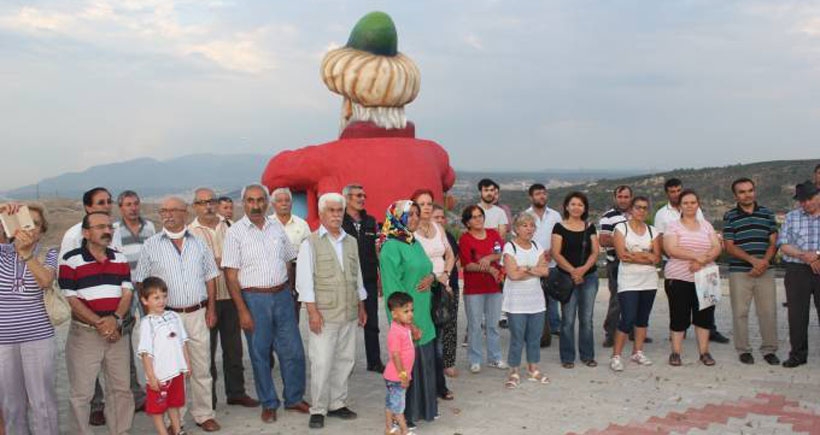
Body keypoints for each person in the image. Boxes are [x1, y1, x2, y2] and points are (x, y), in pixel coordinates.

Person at [222, 183, 309, 423]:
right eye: (250, 200)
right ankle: (269, 403)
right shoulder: (235, 233)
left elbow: (290, 261)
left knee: (293, 351)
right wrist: (242, 311)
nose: (256, 205)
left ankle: (293, 398)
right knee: (260, 354)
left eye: (260, 200)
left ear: (267, 202)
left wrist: (291, 292)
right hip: (254, 299)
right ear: (243, 203)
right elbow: (230, 275)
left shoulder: (276, 229)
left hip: (282, 296)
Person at [134, 196, 222, 432]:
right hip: (167, 318)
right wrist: (151, 317)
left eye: (173, 210)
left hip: (197, 313)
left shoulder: (199, 243)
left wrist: (211, 308)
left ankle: (204, 414)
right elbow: (141, 280)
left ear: (185, 212)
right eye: (163, 210)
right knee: (172, 370)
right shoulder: (152, 244)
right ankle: (177, 420)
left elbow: (210, 277)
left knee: (201, 367)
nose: (167, 214)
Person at [59, 211, 134, 435]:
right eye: (100, 227)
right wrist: (100, 323)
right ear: (86, 232)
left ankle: (121, 431)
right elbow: (71, 298)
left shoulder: (119, 258)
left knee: (121, 389)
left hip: (117, 334)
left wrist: (116, 320)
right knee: (82, 393)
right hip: (85, 335)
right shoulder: (70, 259)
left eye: (109, 227)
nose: (107, 231)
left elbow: (127, 294)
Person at [297, 193, 368, 429]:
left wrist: (361, 305)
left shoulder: (351, 241)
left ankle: (337, 403)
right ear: (321, 214)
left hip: (348, 311)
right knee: (322, 362)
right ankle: (318, 408)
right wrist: (312, 313)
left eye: (340, 210)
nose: (337, 215)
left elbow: (356, 276)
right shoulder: (310, 243)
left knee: (345, 360)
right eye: (332, 210)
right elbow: (305, 282)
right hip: (325, 314)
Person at [188, 188, 258, 409]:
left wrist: (220, 261)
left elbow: (241, 257)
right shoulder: (190, 233)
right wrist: (218, 261)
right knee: (205, 353)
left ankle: (236, 392)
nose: (208, 206)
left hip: (230, 296)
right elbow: (192, 265)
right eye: (202, 203)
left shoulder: (230, 227)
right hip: (205, 300)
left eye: (211, 201)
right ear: (195, 206)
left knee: (234, 348)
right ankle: (209, 401)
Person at [0, 203, 59, 435]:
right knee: (12, 404)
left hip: (38, 338)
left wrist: (25, 253)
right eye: (25, 221)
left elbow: (45, 281)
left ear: (42, 229)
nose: (30, 228)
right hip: (3, 340)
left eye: (35, 223)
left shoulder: (49, 252)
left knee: (42, 401)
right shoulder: (2, 252)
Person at [379, 200, 437, 429]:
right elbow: (393, 290)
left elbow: (427, 268)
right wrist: (407, 324)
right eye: (408, 214)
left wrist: (431, 277)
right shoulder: (391, 247)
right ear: (396, 218)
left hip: (422, 310)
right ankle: (405, 415)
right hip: (407, 318)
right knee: (407, 365)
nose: (414, 218)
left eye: (416, 213)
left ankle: (423, 409)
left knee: (423, 363)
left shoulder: (413, 241)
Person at [654, 178, 730, 344]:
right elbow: (662, 241)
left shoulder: (702, 217)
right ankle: (677, 343)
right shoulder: (662, 214)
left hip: (705, 269)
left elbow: (712, 243)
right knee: (679, 311)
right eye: (672, 191)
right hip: (677, 266)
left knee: (705, 309)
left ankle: (710, 332)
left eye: (678, 190)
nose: (676, 194)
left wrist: (702, 261)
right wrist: (694, 257)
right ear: (668, 193)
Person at [723, 178, 780, 365]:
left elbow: (774, 242)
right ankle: (743, 349)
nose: (747, 194)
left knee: (768, 312)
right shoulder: (730, 216)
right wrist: (753, 261)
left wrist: (764, 262)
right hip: (740, 272)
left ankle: (769, 349)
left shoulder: (767, 214)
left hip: (765, 270)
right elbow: (729, 246)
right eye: (742, 192)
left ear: (755, 191)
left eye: (750, 190)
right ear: (735, 195)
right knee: (740, 312)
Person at [663, 189, 722, 367]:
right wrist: (697, 257)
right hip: (679, 279)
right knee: (679, 316)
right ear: (680, 206)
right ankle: (676, 352)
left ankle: (704, 352)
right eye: (685, 203)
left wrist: (703, 261)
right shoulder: (673, 226)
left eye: (693, 202)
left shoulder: (706, 225)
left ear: (698, 204)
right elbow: (672, 249)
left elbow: (716, 247)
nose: (689, 206)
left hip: (706, 278)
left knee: (704, 317)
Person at [411, 189, 455, 401]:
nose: (427, 207)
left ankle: (439, 385)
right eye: (422, 203)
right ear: (414, 207)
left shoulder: (438, 227)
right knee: (422, 341)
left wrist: (445, 275)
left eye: (430, 203)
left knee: (438, 340)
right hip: (421, 290)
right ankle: (423, 386)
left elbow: (450, 254)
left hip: (440, 288)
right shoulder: (410, 232)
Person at [113, 190, 155, 411]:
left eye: (136, 203)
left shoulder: (150, 227)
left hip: (147, 289)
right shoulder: (114, 231)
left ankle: (156, 387)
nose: (133, 208)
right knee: (125, 342)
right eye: (128, 204)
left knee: (152, 336)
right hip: (126, 290)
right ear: (120, 207)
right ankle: (134, 393)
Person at [609, 197, 661, 371]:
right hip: (629, 280)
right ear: (631, 209)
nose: (642, 211)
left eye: (645, 208)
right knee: (627, 317)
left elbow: (657, 258)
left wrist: (636, 255)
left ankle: (637, 352)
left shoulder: (653, 231)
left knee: (642, 318)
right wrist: (646, 255)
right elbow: (623, 255)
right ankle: (616, 355)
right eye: (638, 207)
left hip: (649, 281)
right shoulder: (621, 228)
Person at [501, 213, 550, 388]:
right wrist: (534, 270)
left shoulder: (537, 246)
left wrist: (526, 268)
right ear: (516, 229)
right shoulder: (510, 247)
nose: (529, 229)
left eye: (532, 225)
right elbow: (513, 275)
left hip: (536, 301)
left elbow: (545, 271)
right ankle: (513, 371)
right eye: (524, 225)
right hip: (516, 303)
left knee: (534, 337)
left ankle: (533, 368)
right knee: (517, 337)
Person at [552, 192, 600, 369]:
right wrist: (573, 271)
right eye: (573, 204)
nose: (576, 207)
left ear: (585, 208)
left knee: (587, 319)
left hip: (589, 277)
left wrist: (582, 270)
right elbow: (556, 253)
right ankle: (567, 357)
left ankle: (587, 355)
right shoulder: (559, 227)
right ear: (566, 206)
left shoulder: (590, 227)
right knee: (568, 319)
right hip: (567, 277)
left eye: (580, 204)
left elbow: (595, 252)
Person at [137, 277, 191, 435]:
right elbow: (145, 353)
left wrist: (187, 363)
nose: (161, 301)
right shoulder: (147, 323)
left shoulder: (174, 316)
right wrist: (151, 376)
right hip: (160, 376)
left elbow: (183, 342)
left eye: (164, 296)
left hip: (176, 372)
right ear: (145, 301)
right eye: (156, 298)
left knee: (174, 405)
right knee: (157, 409)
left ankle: (177, 430)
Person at [342, 183, 385, 373]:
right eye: (357, 195)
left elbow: (378, 251)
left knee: (372, 322)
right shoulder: (340, 222)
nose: (361, 198)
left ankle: (374, 361)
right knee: (345, 324)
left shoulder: (371, 221)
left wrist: (380, 277)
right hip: (346, 281)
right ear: (346, 198)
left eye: (363, 195)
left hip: (367, 280)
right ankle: (344, 364)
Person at [458, 205, 506, 373]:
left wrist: (488, 258)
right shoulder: (465, 239)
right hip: (474, 289)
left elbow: (500, 253)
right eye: (473, 217)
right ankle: (475, 359)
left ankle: (495, 357)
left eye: (480, 216)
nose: (478, 219)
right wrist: (488, 268)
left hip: (494, 287)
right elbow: (467, 265)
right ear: (467, 222)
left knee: (493, 325)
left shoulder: (493, 233)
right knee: (475, 325)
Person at [777, 181, 820, 368]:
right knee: (797, 315)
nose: (806, 203)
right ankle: (797, 355)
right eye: (802, 200)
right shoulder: (791, 217)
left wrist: (817, 255)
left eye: (809, 199)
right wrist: (805, 256)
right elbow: (783, 244)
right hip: (797, 271)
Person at [524, 183, 562, 345]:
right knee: (534, 298)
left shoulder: (555, 216)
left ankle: (555, 326)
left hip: (552, 262)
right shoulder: (525, 215)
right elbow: (521, 239)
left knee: (553, 297)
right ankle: (537, 329)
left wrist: (552, 251)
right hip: (533, 265)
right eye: (538, 194)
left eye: (544, 193)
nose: (542, 196)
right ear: (531, 197)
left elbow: (561, 236)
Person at [599, 185, 635, 348]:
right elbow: (604, 240)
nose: (623, 200)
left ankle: (634, 331)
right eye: (620, 196)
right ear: (615, 198)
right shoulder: (608, 217)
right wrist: (627, 241)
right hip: (616, 263)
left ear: (631, 198)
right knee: (617, 300)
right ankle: (611, 334)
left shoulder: (637, 214)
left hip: (636, 262)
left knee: (636, 298)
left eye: (626, 197)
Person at [272, 187, 311, 320]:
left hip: (295, 271)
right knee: (273, 313)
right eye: (279, 201)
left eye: (287, 200)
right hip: (272, 272)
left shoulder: (302, 225)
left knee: (293, 311)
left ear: (291, 203)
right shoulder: (267, 225)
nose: (284, 203)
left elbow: (308, 251)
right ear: (273, 204)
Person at [431, 204, 460, 378]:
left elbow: (454, 257)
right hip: (433, 287)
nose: (441, 220)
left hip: (451, 286)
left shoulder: (448, 236)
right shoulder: (423, 237)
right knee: (434, 327)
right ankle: (435, 362)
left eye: (443, 217)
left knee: (450, 325)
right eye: (437, 217)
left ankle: (448, 363)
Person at [383, 292, 416, 435]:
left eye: (411, 310)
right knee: (398, 406)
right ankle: (404, 430)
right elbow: (396, 356)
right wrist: (403, 376)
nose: (410, 314)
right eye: (406, 311)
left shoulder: (404, 327)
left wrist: (415, 329)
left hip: (394, 376)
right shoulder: (395, 332)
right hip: (397, 377)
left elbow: (414, 336)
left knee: (391, 403)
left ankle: (389, 428)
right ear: (394, 314)